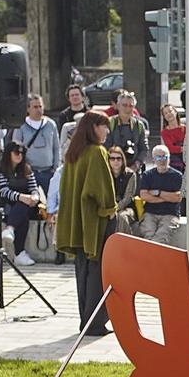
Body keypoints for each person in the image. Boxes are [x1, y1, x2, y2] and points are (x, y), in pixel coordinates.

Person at [57, 111, 119, 338]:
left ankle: (86, 320)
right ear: (94, 127)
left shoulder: (74, 154)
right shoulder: (96, 152)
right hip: (96, 223)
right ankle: (95, 323)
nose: (107, 131)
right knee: (98, 272)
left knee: (83, 271)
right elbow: (99, 191)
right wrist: (110, 210)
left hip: (78, 224)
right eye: (104, 126)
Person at [0, 140, 45, 266]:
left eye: (22, 153)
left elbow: (33, 187)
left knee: (23, 207)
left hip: (26, 205)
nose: (19, 155)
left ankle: (10, 229)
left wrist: (35, 197)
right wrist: (21, 197)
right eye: (16, 152)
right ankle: (19, 253)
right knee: (23, 213)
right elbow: (2, 191)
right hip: (5, 206)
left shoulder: (26, 168)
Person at [137, 143, 187, 242]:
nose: (162, 160)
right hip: (150, 213)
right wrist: (167, 197)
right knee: (148, 234)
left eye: (165, 156)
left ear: (169, 158)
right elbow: (144, 195)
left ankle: (151, 256)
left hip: (170, 214)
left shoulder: (177, 176)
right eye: (159, 157)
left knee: (162, 236)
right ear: (154, 159)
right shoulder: (147, 175)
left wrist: (157, 193)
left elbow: (178, 197)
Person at [15, 93, 60, 190]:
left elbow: (56, 147)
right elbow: (16, 149)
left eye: (40, 106)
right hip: (30, 172)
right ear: (28, 109)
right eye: (35, 107)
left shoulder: (51, 124)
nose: (38, 109)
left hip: (48, 172)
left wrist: (56, 166)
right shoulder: (21, 125)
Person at [106, 147, 143, 237]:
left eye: (119, 158)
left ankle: (124, 245)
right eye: (112, 158)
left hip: (127, 208)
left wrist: (114, 209)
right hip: (108, 207)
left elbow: (128, 198)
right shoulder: (104, 174)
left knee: (121, 217)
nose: (116, 161)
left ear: (123, 160)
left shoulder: (130, 175)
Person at [106, 90, 149, 160]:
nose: (127, 109)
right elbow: (105, 147)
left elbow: (144, 149)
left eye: (131, 106)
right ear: (118, 106)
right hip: (113, 166)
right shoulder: (109, 123)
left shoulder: (139, 125)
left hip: (134, 167)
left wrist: (136, 165)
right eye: (124, 105)